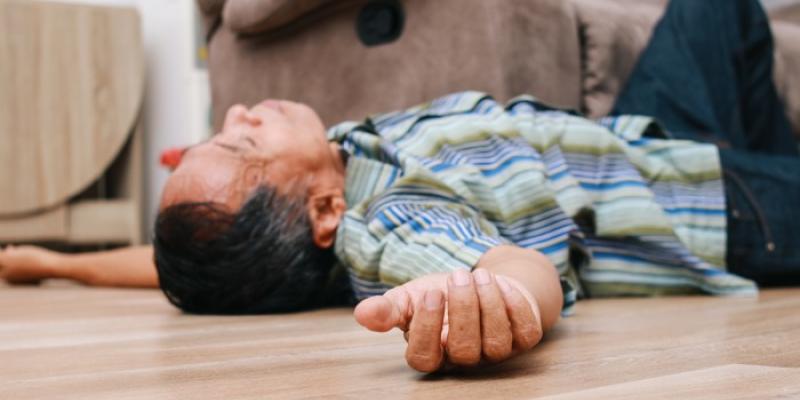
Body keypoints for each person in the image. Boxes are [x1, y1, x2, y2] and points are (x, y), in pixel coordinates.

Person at [1, 0, 798, 373]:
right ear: (323, 214)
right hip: (709, 202)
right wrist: (495, 304)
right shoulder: (390, 224)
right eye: (242, 137)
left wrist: (51, 261)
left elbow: (174, 264)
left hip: (638, 133)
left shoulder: (339, 169)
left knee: (716, 10)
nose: (239, 108)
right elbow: (514, 270)